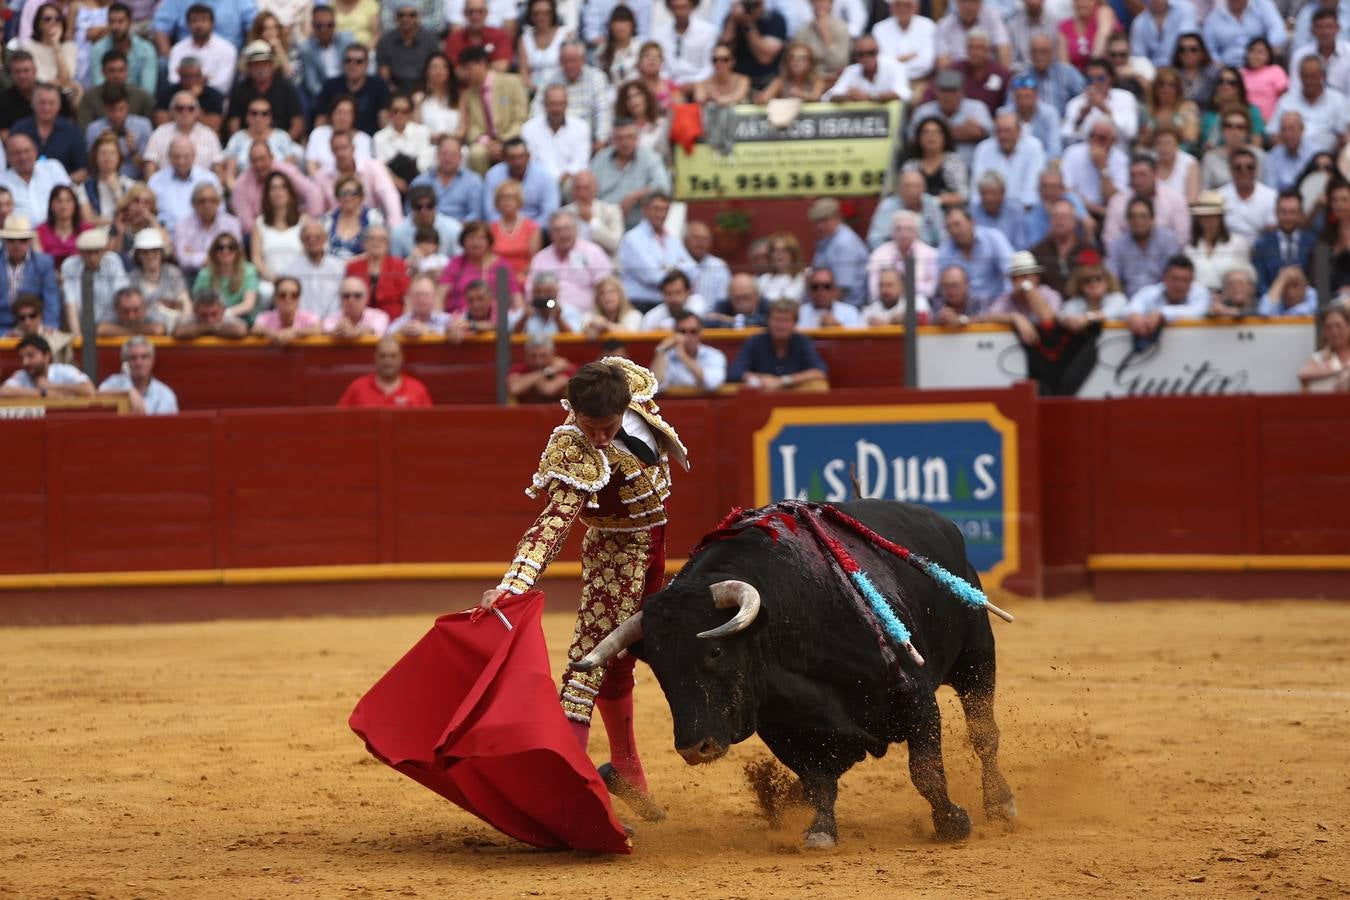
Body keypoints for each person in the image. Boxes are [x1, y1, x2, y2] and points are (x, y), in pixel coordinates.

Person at [483, 355, 688, 824]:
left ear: (624, 407)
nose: (597, 437)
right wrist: (513, 585)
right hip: (615, 557)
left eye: (607, 427)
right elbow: (552, 525)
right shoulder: (574, 448)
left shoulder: (629, 387)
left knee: (623, 663)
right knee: (587, 667)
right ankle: (567, 797)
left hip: (656, 549)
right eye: (589, 426)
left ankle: (627, 772)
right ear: (574, 412)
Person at [617, 193, 695, 311]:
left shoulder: (672, 238)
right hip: (640, 304)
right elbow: (653, 276)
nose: (661, 214)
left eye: (665, 209)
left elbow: (693, 270)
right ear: (645, 210)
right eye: (656, 209)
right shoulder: (632, 238)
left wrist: (666, 268)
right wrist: (677, 267)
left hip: (670, 304)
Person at [458, 46, 530, 174]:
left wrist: (504, 141)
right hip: (486, 143)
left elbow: (520, 118)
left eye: (469, 68)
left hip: (511, 137)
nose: (466, 74)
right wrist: (487, 143)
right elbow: (471, 127)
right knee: (476, 153)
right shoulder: (468, 94)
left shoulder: (512, 82)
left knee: (516, 149)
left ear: (482, 64)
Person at [729, 299, 828, 390]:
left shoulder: (803, 342)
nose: (781, 326)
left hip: (794, 400)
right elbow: (735, 372)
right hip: (761, 399)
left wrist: (783, 381)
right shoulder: (755, 341)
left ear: (795, 323)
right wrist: (761, 379)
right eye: (777, 320)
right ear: (768, 321)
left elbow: (820, 371)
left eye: (786, 320)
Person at [527, 210, 613, 316]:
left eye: (567, 228)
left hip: (587, 318)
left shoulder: (593, 252)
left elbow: (607, 287)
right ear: (550, 234)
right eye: (557, 230)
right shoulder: (540, 258)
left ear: (576, 229)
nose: (563, 234)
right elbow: (530, 292)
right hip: (549, 318)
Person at [906, 70, 991, 171]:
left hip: (971, 170)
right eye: (944, 91)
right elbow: (913, 141)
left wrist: (932, 135)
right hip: (930, 173)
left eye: (953, 91)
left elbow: (981, 134)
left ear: (962, 92)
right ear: (936, 92)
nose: (948, 96)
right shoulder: (924, 111)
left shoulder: (976, 108)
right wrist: (963, 131)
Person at [1101, 151, 1190, 246]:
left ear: (1155, 174)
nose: (1137, 180)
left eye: (1142, 174)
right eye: (1133, 175)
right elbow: (1110, 239)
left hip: (1167, 257)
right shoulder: (1117, 202)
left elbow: (1182, 238)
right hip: (1128, 257)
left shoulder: (1175, 199)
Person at [937, 205, 1012, 314]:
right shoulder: (944, 250)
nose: (953, 230)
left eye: (957, 224)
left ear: (971, 222)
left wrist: (1006, 302)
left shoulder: (994, 238)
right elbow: (943, 287)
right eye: (949, 227)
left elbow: (1010, 272)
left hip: (997, 304)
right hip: (964, 308)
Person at [226, 40, 306, 141]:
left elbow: (298, 123)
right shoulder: (239, 90)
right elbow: (233, 124)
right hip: (247, 144)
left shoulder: (286, 88)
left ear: (272, 65)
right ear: (249, 67)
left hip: (281, 144)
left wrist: (284, 144)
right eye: (256, 64)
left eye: (265, 63)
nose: (260, 68)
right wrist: (244, 144)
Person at [221, 99, 304, 194]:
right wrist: (238, 192)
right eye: (254, 113)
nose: (258, 118)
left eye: (264, 113)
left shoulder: (282, 137)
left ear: (270, 117)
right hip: (246, 190)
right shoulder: (237, 138)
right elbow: (230, 175)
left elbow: (290, 169)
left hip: (278, 191)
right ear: (247, 116)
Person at [438, 219, 520, 313]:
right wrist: (440, 320)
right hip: (458, 320)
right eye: (471, 238)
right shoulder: (456, 264)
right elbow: (440, 296)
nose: (475, 243)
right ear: (463, 241)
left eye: (481, 238)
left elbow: (515, 298)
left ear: (488, 242)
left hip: (495, 322)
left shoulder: (501, 266)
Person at [10, 85, 87, 184]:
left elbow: (83, 169)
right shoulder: (19, 129)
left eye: (51, 103)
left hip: (63, 191)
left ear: (59, 105)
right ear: (33, 104)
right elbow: (10, 164)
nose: (46, 107)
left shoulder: (72, 131)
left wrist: (63, 184)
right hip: (23, 187)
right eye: (42, 103)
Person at [146, 137, 222, 235]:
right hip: (165, 236)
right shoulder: (155, 181)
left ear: (194, 156)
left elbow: (220, 212)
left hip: (202, 236)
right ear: (168, 157)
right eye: (176, 156)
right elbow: (149, 213)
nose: (181, 161)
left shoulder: (210, 179)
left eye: (186, 157)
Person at [61, 227, 128, 338]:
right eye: (88, 253)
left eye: (97, 252)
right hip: (81, 327)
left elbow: (121, 296)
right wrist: (77, 336)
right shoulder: (70, 265)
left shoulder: (113, 261)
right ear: (80, 253)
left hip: (112, 328)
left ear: (104, 250)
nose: (92, 258)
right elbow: (70, 301)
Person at [1124, 253, 1210, 339]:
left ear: (1192, 281)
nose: (1179, 285)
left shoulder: (1201, 293)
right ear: (1164, 278)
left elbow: (1197, 311)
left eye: (1185, 280)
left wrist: (1161, 313)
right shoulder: (1149, 292)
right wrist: (1134, 315)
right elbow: (1130, 308)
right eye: (1175, 278)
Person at [0, 215, 61, 333]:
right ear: (4, 240)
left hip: (33, 326)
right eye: (11, 240)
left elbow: (51, 298)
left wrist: (50, 326)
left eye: (22, 240)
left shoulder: (44, 263)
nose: (17, 244)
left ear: (29, 240)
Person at [142, 92, 223, 180]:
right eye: (179, 108)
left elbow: (218, 167)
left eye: (190, 109)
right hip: (166, 188)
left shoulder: (209, 135)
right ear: (171, 111)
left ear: (198, 112)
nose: (185, 112)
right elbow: (150, 165)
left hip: (201, 189)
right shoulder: (159, 134)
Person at [409, 136, 486, 224]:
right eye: (444, 153)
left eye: (453, 154)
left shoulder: (473, 181)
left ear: (460, 157)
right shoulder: (420, 182)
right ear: (437, 155)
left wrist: (455, 229)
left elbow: (476, 214)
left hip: (462, 231)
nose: (448, 158)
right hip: (427, 232)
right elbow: (410, 212)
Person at [337, 337, 434, 407]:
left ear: (401, 358)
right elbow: (338, 420)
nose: (387, 361)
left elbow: (429, 427)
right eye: (382, 356)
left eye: (393, 356)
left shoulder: (418, 390)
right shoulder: (357, 388)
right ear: (375, 358)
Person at [1060, 119, 1127, 220]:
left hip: (1109, 213)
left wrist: (1103, 168)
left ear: (1113, 141)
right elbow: (1067, 191)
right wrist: (1098, 210)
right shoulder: (1073, 153)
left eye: (1102, 138)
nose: (1095, 141)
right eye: (1092, 136)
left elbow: (1116, 199)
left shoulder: (1120, 159)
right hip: (1079, 211)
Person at [1251, 192, 1317, 295]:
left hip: (1307, 303)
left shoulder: (1313, 243)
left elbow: (1317, 281)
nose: (1288, 217)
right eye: (1283, 212)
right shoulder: (1262, 244)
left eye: (1292, 212)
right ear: (1276, 213)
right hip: (1271, 303)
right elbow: (1260, 283)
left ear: (1300, 213)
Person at [807, 197, 868, 308]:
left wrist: (819, 310)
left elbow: (841, 289)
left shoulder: (844, 243)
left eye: (824, 220)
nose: (820, 226)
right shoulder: (827, 239)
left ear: (838, 218)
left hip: (847, 308)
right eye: (816, 222)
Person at [1062, 57, 1137, 147]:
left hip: (1118, 153)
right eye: (1090, 79)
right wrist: (1080, 120)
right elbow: (1066, 140)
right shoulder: (1075, 103)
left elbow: (1131, 133)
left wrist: (1106, 110)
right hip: (1086, 154)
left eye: (1100, 78)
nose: (1095, 83)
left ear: (1111, 79)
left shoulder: (1126, 97)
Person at [867, 210, 938, 304]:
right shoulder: (878, 254)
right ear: (892, 233)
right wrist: (914, 286)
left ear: (917, 233)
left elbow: (931, 291)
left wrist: (900, 287)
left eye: (909, 229)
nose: (903, 233)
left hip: (920, 304)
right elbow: (874, 292)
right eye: (898, 229)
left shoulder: (931, 254)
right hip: (887, 306)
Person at [174, 182, 243, 278]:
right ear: (194, 204)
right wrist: (219, 256)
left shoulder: (232, 223)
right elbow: (183, 259)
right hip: (193, 275)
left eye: (212, 201)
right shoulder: (182, 225)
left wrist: (194, 255)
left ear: (219, 203)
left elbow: (236, 254)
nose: (207, 205)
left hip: (225, 273)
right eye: (202, 201)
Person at [165, 4, 238, 94]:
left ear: (212, 23)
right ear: (188, 24)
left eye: (203, 20)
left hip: (212, 98)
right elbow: (173, 79)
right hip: (182, 97)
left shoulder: (227, 49)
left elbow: (223, 84)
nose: (199, 25)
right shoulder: (177, 49)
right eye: (194, 21)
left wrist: (200, 90)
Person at [0, 133, 72, 225]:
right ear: (8, 157)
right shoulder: (2, 181)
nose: (23, 157)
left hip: (56, 232)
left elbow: (71, 199)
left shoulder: (52, 168)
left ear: (35, 152)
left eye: (27, 151)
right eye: (16, 153)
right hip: (18, 237)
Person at [88, 3, 158, 96]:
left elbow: (148, 90)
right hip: (106, 100)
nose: (115, 27)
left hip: (138, 103)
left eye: (120, 21)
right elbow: (98, 85)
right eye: (111, 22)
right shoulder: (98, 49)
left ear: (130, 23)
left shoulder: (146, 49)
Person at [284, 217, 347, 318]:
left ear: (325, 239)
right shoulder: (290, 270)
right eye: (308, 237)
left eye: (317, 237)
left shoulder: (339, 267)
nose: (312, 240)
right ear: (301, 240)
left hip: (334, 322)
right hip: (303, 324)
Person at [651, 310, 726, 393]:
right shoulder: (667, 356)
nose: (688, 336)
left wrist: (683, 356)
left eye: (693, 331)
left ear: (701, 333)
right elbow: (654, 388)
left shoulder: (714, 355)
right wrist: (661, 351)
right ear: (675, 333)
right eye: (682, 331)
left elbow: (712, 383)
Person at [127, 228, 190, 325]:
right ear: (138, 255)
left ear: (161, 253)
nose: (150, 255)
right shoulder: (132, 278)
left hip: (174, 330)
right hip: (145, 329)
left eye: (154, 251)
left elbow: (185, 304)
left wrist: (185, 322)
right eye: (145, 252)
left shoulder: (173, 273)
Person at [193, 232, 260, 322]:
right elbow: (197, 303)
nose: (225, 251)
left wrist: (224, 314)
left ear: (238, 251)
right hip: (208, 318)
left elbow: (248, 304)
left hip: (240, 319)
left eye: (231, 247)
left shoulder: (249, 270)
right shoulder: (205, 273)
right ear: (214, 252)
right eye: (220, 248)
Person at [0, 333, 94, 398]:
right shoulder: (22, 375)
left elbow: (89, 390)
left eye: (30, 356)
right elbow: (3, 391)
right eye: (22, 358)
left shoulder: (64, 370)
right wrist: (43, 393)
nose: (25, 362)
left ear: (47, 356)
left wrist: (51, 386)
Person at [374, 95, 434, 195]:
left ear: (410, 113)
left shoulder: (423, 132)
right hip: (390, 185)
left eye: (404, 111)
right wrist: (395, 180)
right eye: (395, 111)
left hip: (417, 181)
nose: (399, 115)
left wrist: (413, 183)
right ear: (389, 113)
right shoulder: (379, 137)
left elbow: (425, 162)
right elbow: (380, 167)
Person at [1030, 199, 1093, 296]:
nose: (1059, 220)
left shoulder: (1087, 250)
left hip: (1081, 302)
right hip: (1048, 303)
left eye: (1064, 216)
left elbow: (1094, 279)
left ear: (1074, 221)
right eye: (1055, 216)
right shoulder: (1038, 251)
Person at [346, 224, 409, 320]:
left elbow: (407, 298)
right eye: (372, 239)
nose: (377, 243)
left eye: (382, 239)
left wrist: (403, 322)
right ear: (364, 243)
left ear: (388, 244)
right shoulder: (353, 267)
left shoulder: (399, 265)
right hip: (362, 323)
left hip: (393, 320)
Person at [822, 34, 910, 103]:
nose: (866, 58)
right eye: (861, 54)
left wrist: (870, 97)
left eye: (871, 53)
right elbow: (827, 97)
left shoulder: (894, 66)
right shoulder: (851, 71)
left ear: (878, 52)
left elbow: (904, 94)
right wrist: (847, 97)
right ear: (855, 56)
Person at [377, 3, 441, 94]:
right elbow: (384, 72)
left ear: (418, 18)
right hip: (395, 91)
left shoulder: (430, 41)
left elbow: (435, 68)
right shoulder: (386, 41)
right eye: (401, 15)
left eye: (412, 15)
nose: (406, 19)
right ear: (395, 18)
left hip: (424, 89)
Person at [299, 6, 356, 105]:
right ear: (313, 26)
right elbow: (312, 84)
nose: (324, 30)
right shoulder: (306, 48)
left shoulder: (347, 41)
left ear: (335, 25)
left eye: (329, 25)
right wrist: (331, 97)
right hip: (323, 97)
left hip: (350, 92)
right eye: (319, 25)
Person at [1203, 0, 1286, 68]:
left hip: (1261, 65)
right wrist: (1219, 64)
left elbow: (1278, 31)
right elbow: (1209, 47)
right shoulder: (1214, 18)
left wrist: (1264, 53)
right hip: (1229, 69)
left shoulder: (1262, 5)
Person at [152, 57, 225, 133]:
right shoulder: (165, 93)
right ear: (179, 73)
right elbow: (161, 124)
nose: (192, 81)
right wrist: (185, 98)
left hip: (203, 137)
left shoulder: (213, 95)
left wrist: (191, 98)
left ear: (202, 76)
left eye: (196, 76)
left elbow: (213, 128)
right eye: (187, 76)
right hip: (170, 135)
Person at [561, 170, 624, 256]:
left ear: (595, 189)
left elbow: (614, 243)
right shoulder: (563, 214)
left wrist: (591, 220)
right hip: (571, 264)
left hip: (603, 263)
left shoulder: (611, 211)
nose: (581, 193)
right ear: (572, 191)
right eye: (577, 188)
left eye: (586, 188)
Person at [936, 0, 1013, 69]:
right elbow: (943, 65)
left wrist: (1003, 79)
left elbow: (1004, 50)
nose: (968, 6)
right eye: (964, 1)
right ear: (956, 2)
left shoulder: (993, 18)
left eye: (973, 1)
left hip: (988, 75)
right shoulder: (944, 25)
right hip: (958, 78)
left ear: (981, 2)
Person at [391, 185, 463, 259]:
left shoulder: (453, 228)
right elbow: (396, 263)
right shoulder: (398, 232)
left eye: (429, 206)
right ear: (411, 207)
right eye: (418, 206)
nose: (424, 211)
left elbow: (460, 260)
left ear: (435, 205)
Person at [873, 0, 936, 83]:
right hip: (889, 82)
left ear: (916, 7)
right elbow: (879, 62)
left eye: (907, 5)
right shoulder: (879, 28)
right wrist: (907, 58)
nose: (902, 8)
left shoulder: (928, 25)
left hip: (920, 80)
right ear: (891, 7)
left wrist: (896, 60)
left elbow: (927, 62)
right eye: (898, 5)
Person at [1060, 251, 1128, 322]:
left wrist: (1088, 317)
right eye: (1087, 280)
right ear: (1079, 285)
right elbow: (1062, 314)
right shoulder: (1076, 302)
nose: (1093, 284)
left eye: (1098, 278)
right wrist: (1067, 319)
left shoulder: (1117, 298)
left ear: (1107, 280)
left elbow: (1111, 312)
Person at [505, 334, 576, 403]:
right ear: (526, 355)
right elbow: (515, 388)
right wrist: (550, 370)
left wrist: (527, 382)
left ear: (553, 353)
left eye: (543, 356)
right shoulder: (518, 368)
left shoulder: (567, 368)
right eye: (533, 356)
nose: (538, 361)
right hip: (526, 413)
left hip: (559, 413)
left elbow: (548, 389)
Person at [36, 185, 90, 272]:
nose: (64, 205)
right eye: (59, 201)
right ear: (51, 205)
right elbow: (39, 263)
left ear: (75, 204)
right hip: (49, 278)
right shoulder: (40, 231)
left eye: (68, 201)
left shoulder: (87, 230)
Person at [1297, 304, 1350, 393]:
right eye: (1329, 327)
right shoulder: (1318, 358)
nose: (1334, 331)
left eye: (1339, 325)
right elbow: (1303, 374)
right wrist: (1338, 371)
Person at [251, 276, 321, 342]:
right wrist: (273, 334)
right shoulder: (265, 317)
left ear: (299, 298)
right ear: (275, 298)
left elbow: (318, 329)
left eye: (294, 295)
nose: (288, 299)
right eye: (283, 295)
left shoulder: (308, 317)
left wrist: (295, 331)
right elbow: (256, 329)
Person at [517, 0, 568, 91]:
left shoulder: (564, 35)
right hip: (533, 90)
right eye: (536, 13)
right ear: (530, 15)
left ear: (553, 14)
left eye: (546, 13)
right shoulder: (524, 39)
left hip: (561, 89)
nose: (541, 17)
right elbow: (523, 72)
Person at [1130, 0, 1194, 69]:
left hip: (1182, 69)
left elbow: (1189, 43)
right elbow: (1139, 58)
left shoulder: (1185, 9)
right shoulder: (1138, 22)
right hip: (1151, 75)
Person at [387, 273, 452, 337]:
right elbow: (386, 337)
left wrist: (429, 331)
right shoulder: (401, 322)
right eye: (417, 295)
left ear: (434, 296)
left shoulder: (447, 320)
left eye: (426, 295)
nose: (421, 299)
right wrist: (400, 332)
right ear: (410, 297)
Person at [323, 275, 390, 337]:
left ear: (366, 298)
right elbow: (325, 330)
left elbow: (377, 329)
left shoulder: (379, 316)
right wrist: (337, 331)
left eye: (357, 295)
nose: (351, 300)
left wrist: (357, 332)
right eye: (346, 296)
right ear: (340, 299)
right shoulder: (331, 318)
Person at [798, 267, 863, 328]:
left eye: (827, 286)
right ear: (809, 290)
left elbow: (857, 338)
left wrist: (838, 327)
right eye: (815, 287)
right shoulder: (799, 313)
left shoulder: (850, 312)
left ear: (835, 289)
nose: (821, 291)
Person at [171, 289, 249, 339]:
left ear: (222, 310)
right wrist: (212, 328)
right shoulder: (189, 319)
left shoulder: (228, 319)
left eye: (214, 314)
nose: (209, 320)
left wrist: (204, 329)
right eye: (203, 315)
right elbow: (178, 332)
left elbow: (240, 331)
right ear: (195, 311)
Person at [95, 284, 166, 336]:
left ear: (144, 307)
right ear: (116, 310)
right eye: (125, 311)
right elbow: (100, 329)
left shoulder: (151, 313)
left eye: (136, 310)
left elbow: (158, 330)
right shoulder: (113, 314)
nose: (131, 317)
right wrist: (138, 331)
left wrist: (122, 331)